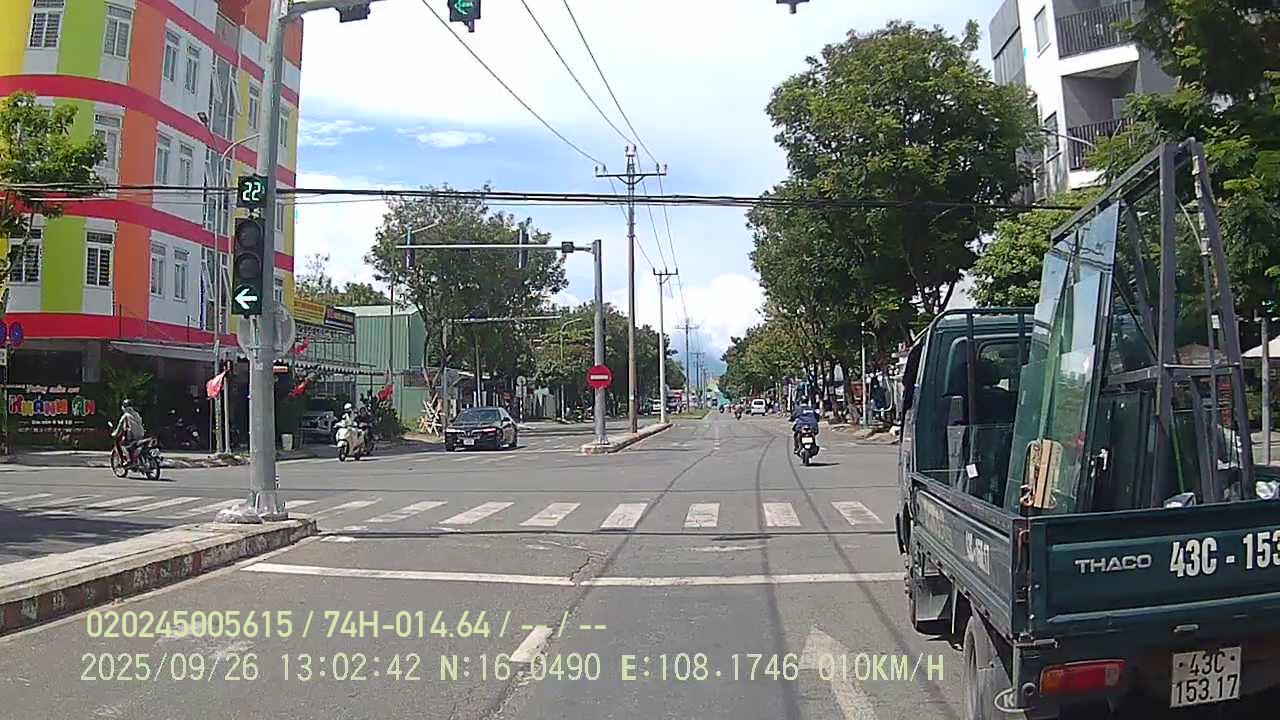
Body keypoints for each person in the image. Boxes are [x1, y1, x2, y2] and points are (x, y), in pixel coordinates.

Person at [113, 399, 145, 463]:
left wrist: (114, 434)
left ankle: (128, 460)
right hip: (141, 435)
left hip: (132, 436)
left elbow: (119, 427)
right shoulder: (137, 414)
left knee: (122, 444)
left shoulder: (125, 416)